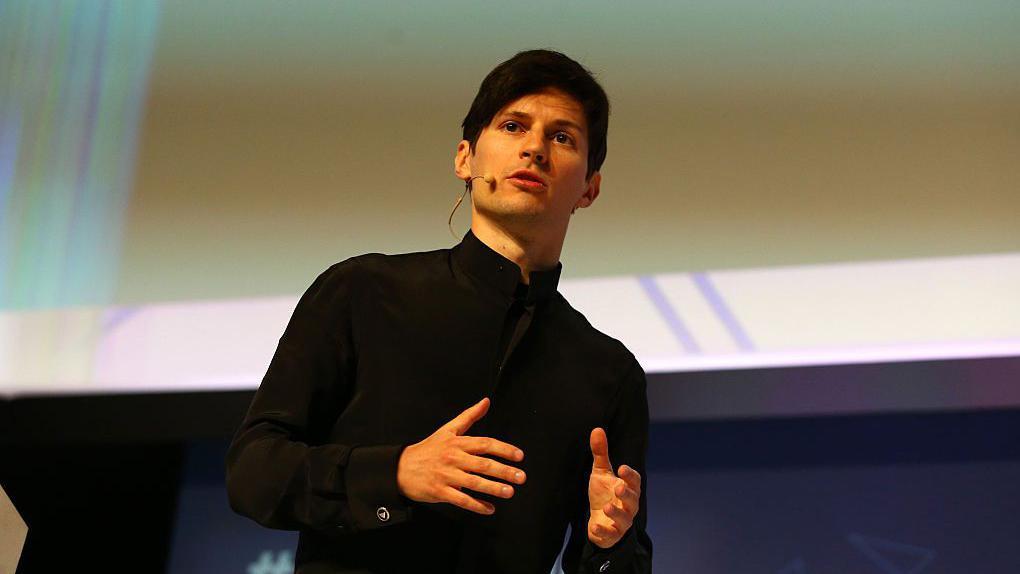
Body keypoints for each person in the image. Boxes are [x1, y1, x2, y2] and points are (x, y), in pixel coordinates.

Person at [226, 49, 653, 574]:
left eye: (563, 137)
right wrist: (398, 473)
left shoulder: (608, 373)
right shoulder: (362, 293)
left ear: (590, 187)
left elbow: (619, 562)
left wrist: (608, 543)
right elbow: (253, 472)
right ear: (465, 159)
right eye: (514, 126)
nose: (536, 148)